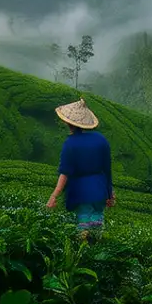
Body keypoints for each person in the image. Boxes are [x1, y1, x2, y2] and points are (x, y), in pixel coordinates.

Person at [46, 98, 116, 243]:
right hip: (100, 189)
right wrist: (110, 193)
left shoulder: (70, 143)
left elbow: (65, 172)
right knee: (97, 224)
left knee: (83, 226)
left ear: (68, 123)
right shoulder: (101, 139)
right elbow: (107, 169)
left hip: (81, 190)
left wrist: (54, 195)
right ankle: (97, 254)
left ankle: (83, 255)